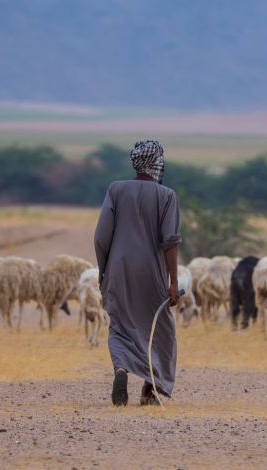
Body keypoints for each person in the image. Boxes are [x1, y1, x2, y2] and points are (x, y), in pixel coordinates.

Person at [94, 139, 182, 406]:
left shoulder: (116, 189)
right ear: (156, 163)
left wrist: (104, 271)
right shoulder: (166, 196)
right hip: (151, 274)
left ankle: (121, 369)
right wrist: (173, 281)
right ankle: (152, 389)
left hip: (117, 271)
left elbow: (101, 236)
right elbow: (170, 241)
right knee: (159, 329)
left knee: (120, 326)